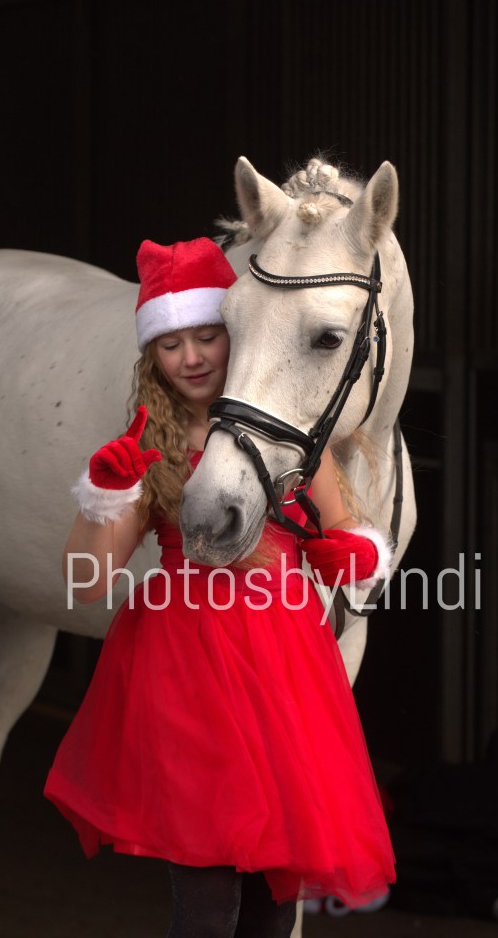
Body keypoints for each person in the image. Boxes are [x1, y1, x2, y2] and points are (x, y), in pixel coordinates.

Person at [44, 236, 396, 938]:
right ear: (152, 355)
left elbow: (349, 542)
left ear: (236, 334)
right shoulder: (151, 447)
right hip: (187, 673)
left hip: (285, 671)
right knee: (207, 907)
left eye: (206, 335)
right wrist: (105, 496)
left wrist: (348, 551)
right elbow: (86, 581)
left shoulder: (295, 436)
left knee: (272, 907)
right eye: (171, 343)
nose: (192, 357)